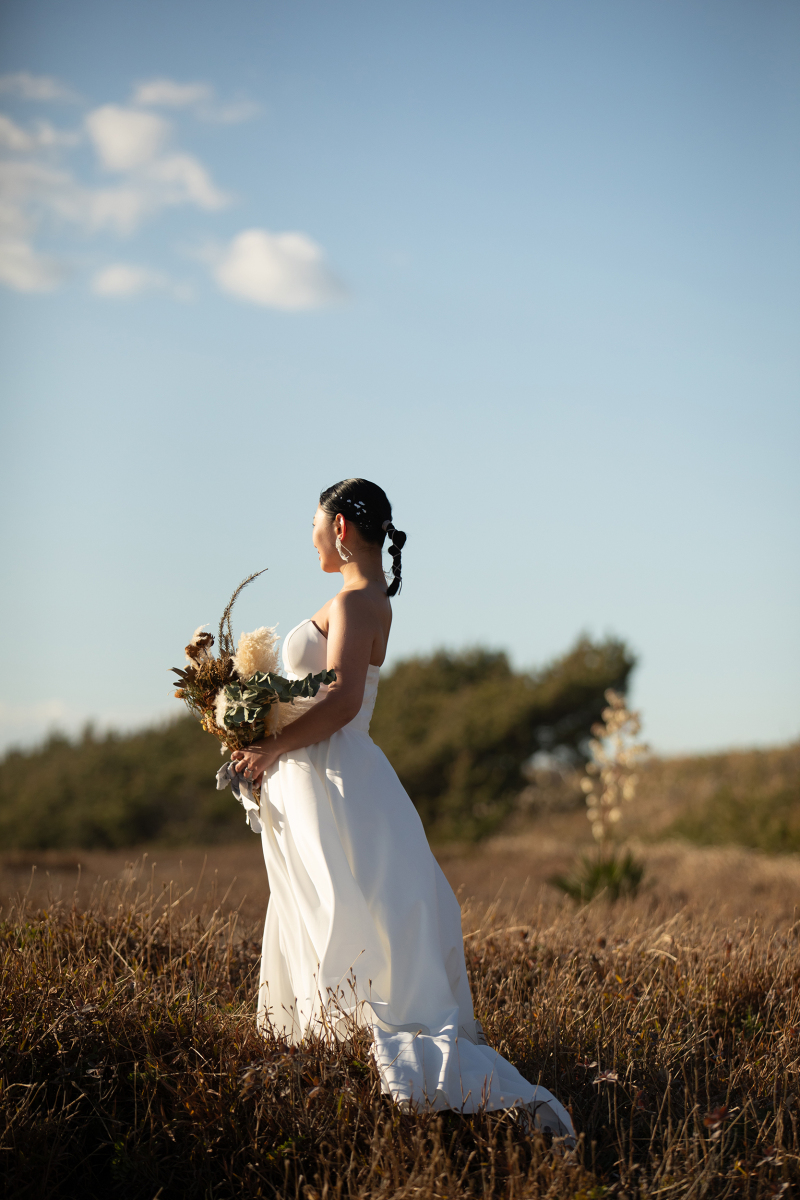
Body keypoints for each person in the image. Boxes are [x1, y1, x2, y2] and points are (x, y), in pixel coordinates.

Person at [231, 478, 574, 1137]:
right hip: (319, 775)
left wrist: (272, 746)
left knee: (340, 908)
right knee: (318, 906)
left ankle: (377, 1068)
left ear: (339, 529)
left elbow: (341, 702)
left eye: (314, 522)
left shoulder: (359, 600)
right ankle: (325, 1062)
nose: (309, 535)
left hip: (337, 777)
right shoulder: (357, 597)